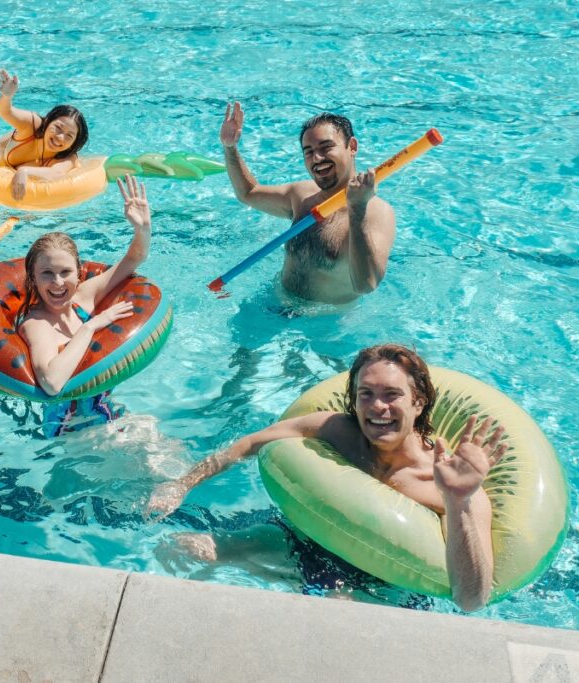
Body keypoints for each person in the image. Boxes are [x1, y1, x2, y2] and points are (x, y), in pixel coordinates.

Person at [145, 344, 507, 612]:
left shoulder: (447, 480)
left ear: (419, 402)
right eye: (366, 394)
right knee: (179, 547)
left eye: (392, 395)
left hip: (379, 586)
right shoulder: (337, 431)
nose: (378, 407)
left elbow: (471, 599)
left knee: (331, 616)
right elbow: (249, 444)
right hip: (299, 543)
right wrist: (181, 484)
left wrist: (459, 499)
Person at [220, 104, 396, 304]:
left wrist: (357, 209)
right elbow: (248, 193)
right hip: (274, 305)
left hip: (323, 326)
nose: (317, 158)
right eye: (309, 151)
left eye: (326, 147)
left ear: (352, 146)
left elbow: (366, 284)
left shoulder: (377, 212)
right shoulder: (302, 195)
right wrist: (230, 147)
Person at [18, 176, 149, 437]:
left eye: (65, 272)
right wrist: (90, 326)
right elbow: (52, 383)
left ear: (79, 273)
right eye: (46, 273)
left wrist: (142, 228)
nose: (57, 282)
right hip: (71, 431)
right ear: (32, 277)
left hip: (104, 411)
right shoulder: (38, 325)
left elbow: (134, 258)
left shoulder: (83, 297)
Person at [0, 68, 90, 201]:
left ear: (74, 143)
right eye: (58, 127)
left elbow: (56, 174)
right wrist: (7, 97)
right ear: (47, 122)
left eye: (69, 136)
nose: (60, 137)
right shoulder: (33, 124)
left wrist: (24, 171)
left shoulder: (68, 157)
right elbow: (4, 111)